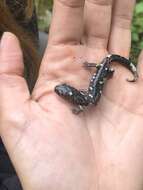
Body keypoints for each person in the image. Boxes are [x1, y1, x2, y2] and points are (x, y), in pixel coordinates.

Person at [1, 0, 143, 189]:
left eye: (61, 91)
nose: (60, 92)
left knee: (105, 67)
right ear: (69, 95)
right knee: (102, 70)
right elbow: (82, 101)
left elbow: (82, 103)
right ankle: (127, 70)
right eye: (62, 91)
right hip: (100, 70)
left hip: (102, 69)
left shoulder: (82, 100)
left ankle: (128, 69)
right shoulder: (82, 100)